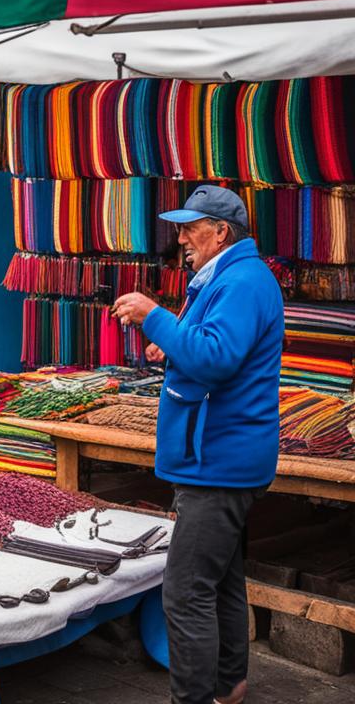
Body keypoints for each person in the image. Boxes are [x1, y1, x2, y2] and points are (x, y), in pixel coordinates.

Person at [112, 185, 283, 704]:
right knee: (222, 580)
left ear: (221, 233)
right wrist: (174, 341)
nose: (181, 237)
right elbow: (213, 345)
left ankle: (193, 698)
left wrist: (155, 316)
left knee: (185, 592)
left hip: (219, 462)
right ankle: (229, 686)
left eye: (190, 228)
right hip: (219, 458)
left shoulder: (243, 282)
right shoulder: (230, 277)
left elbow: (215, 358)